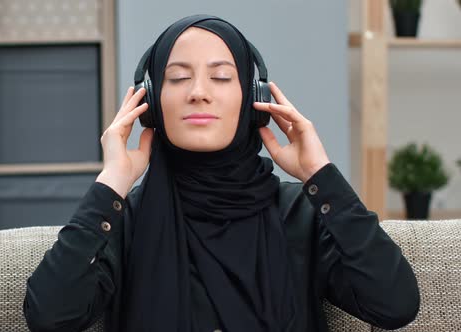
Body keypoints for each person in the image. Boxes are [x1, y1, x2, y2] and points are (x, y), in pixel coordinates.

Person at [22, 14, 420, 332]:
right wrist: (111, 183)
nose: (198, 91)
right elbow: (50, 317)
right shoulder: (124, 217)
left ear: (252, 97)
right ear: (150, 102)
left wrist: (321, 174)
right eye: (177, 78)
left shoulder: (299, 213)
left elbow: (395, 305)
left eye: (221, 77)